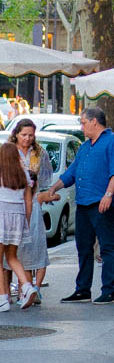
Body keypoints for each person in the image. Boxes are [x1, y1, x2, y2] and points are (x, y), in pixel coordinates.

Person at [51, 105, 114, 305]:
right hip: (83, 203)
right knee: (83, 247)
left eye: (83, 123)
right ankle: (82, 289)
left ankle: (108, 290)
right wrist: (54, 188)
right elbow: (72, 173)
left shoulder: (113, 142)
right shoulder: (85, 147)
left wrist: (108, 195)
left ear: (94, 121)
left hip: (101, 202)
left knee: (107, 246)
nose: (82, 127)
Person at [9, 119, 54, 300]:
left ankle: (26, 290)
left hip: (32, 202)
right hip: (12, 202)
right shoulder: (8, 151)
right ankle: (7, 292)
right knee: (10, 249)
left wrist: (39, 193)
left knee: (30, 248)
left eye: (31, 135)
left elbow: (45, 177)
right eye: (24, 135)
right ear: (16, 134)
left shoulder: (39, 152)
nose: (27, 139)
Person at [0, 140, 35, 310]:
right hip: (18, 217)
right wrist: (26, 221)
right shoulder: (23, 174)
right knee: (12, 257)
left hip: (1, 215)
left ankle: (3, 299)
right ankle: (27, 287)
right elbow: (29, 201)